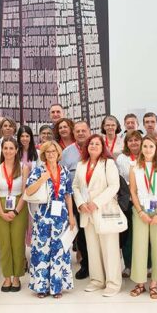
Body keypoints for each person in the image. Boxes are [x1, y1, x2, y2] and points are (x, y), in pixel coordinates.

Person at [72, 134, 123, 297]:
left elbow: (114, 186)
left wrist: (97, 202)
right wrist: (80, 203)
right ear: (86, 147)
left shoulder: (108, 163)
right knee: (92, 248)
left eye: (97, 144)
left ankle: (113, 283)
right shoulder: (81, 164)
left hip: (104, 209)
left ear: (103, 147)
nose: (93, 146)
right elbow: (75, 186)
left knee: (110, 248)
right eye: (91, 143)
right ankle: (97, 280)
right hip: (86, 211)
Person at [26, 141, 76, 298]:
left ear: (58, 153)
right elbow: (28, 190)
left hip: (60, 216)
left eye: (54, 151)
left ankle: (56, 287)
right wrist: (42, 179)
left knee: (59, 251)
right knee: (42, 251)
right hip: (43, 216)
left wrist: (71, 216)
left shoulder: (65, 171)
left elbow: (68, 194)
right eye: (48, 152)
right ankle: (41, 287)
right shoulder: (38, 171)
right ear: (44, 154)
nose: (51, 154)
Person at [129, 135, 157, 299]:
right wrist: (140, 211)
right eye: (145, 146)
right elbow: (133, 191)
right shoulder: (134, 167)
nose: (148, 149)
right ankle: (140, 283)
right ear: (141, 148)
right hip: (140, 210)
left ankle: (154, 283)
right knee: (139, 246)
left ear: (156, 150)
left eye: (151, 147)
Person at [0, 137, 29, 292]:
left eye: (11, 148)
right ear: (2, 150)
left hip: (19, 206)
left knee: (17, 243)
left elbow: (25, 192)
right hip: (0, 206)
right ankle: (7, 277)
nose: (8, 151)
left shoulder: (23, 167)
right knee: (4, 244)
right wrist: (1, 212)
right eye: (5, 148)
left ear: (16, 150)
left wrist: (15, 211)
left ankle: (17, 277)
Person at [62, 120, 90, 279]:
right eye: (77, 131)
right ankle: (85, 264)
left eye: (83, 130)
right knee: (82, 235)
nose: (80, 133)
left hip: (94, 199)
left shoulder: (96, 146)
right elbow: (63, 175)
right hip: (75, 200)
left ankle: (99, 265)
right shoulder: (67, 152)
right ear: (74, 133)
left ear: (89, 131)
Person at [115, 130, 141, 278]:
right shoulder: (122, 159)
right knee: (128, 235)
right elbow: (120, 180)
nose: (134, 143)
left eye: (136, 140)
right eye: (130, 140)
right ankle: (129, 266)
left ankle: (147, 265)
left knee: (143, 234)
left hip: (144, 201)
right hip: (128, 201)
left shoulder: (147, 156)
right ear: (126, 143)